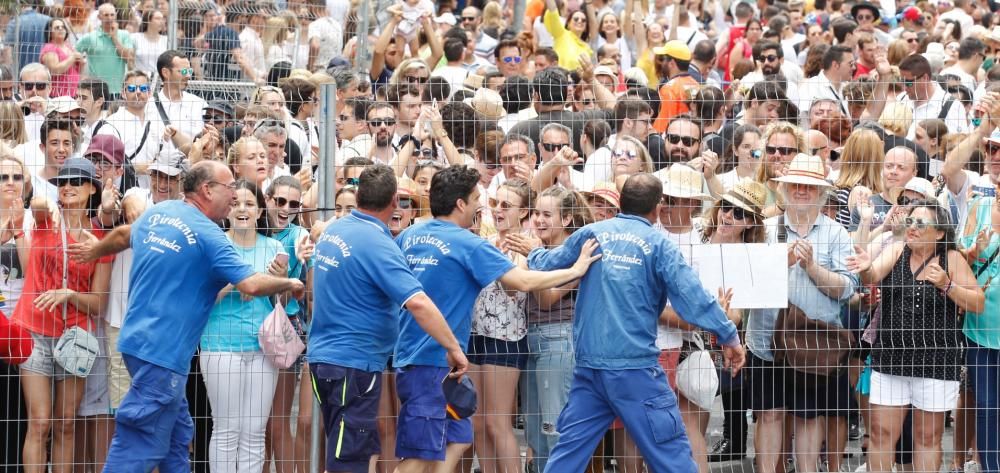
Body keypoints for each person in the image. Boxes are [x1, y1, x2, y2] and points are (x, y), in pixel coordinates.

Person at [69, 160, 305, 472]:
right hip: (162, 356)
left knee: (177, 435)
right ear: (207, 190)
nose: (235, 194)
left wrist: (96, 250)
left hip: (138, 345)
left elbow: (124, 234)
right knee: (138, 442)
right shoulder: (210, 236)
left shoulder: (160, 212)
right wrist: (289, 282)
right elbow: (250, 283)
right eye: (230, 187)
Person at [523, 173, 744, 472]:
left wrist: (531, 248)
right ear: (658, 208)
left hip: (590, 368)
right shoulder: (659, 245)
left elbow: (545, 263)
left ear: (621, 203)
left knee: (568, 454)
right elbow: (694, 298)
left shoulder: (591, 234)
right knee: (671, 452)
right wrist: (729, 335)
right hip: (635, 369)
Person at [392, 166, 600, 472]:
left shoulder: (410, 235)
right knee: (424, 452)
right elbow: (525, 283)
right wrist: (576, 270)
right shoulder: (469, 242)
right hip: (433, 357)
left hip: (434, 352)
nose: (483, 206)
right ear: (461, 204)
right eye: (478, 198)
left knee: (459, 438)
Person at [308, 164, 469, 473]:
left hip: (325, 359)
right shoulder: (378, 245)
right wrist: (453, 347)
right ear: (395, 201)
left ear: (357, 196)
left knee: (349, 449)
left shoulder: (335, 230)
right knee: (350, 458)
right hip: (353, 365)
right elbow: (418, 303)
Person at [849, 199, 984, 473]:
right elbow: (872, 275)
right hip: (890, 360)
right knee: (880, 434)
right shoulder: (898, 250)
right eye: (910, 222)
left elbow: (978, 303)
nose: (913, 228)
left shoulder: (952, 258)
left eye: (921, 223)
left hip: (935, 361)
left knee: (928, 437)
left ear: (940, 232)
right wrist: (865, 267)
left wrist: (947, 284)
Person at [13, 158, 113, 473]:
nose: (66, 187)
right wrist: (48, 206)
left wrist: (69, 294)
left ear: (91, 189)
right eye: (62, 181)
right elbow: (37, 202)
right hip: (35, 328)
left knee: (66, 422)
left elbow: (98, 303)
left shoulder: (99, 239)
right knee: (40, 422)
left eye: (75, 181)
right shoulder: (46, 220)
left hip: (77, 336)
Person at [75, 3, 136, 98]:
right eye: (106, 15)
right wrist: (81, 65)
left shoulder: (124, 35)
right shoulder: (91, 37)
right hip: (97, 90)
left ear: (116, 15)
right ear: (99, 17)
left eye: (112, 15)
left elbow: (128, 58)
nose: (109, 18)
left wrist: (115, 38)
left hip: (118, 89)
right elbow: (74, 52)